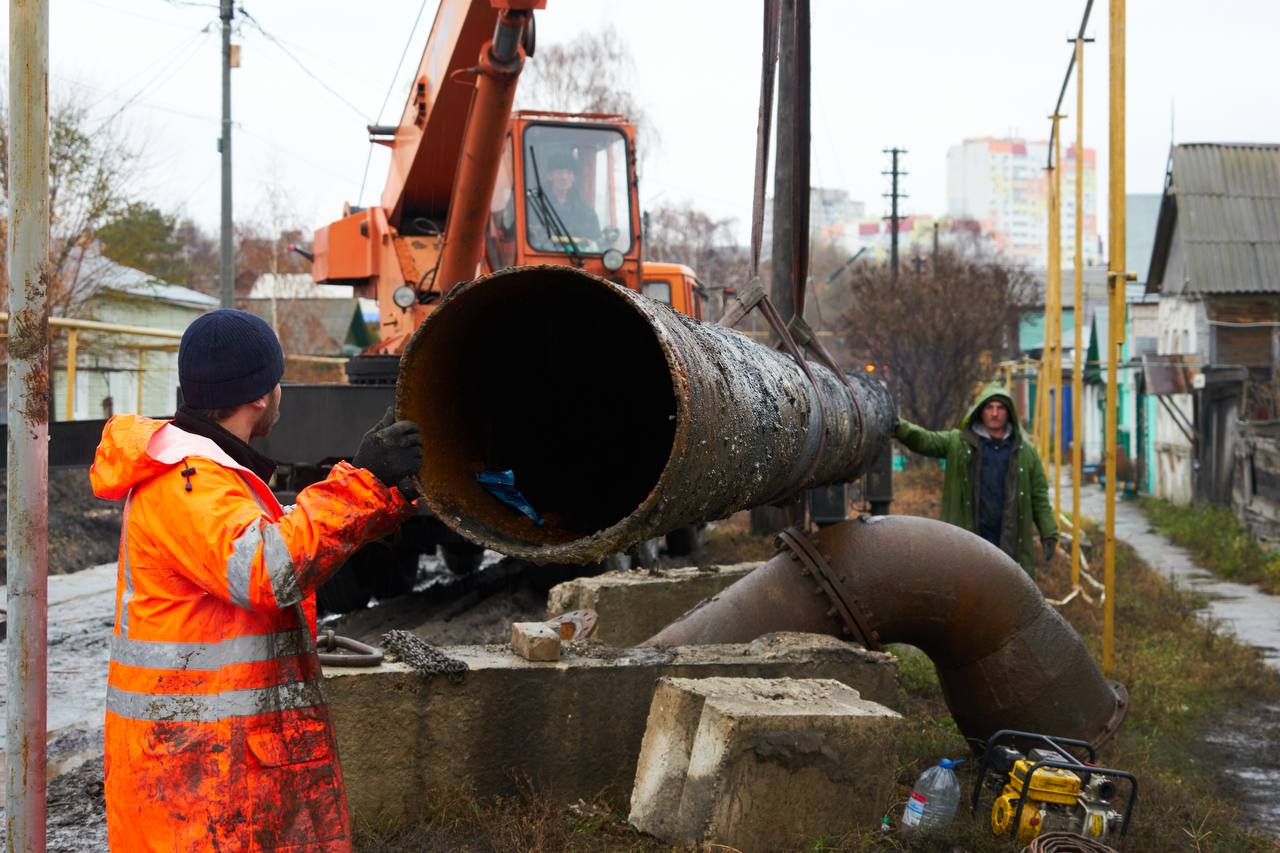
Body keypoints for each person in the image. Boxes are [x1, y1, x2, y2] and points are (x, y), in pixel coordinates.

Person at [90, 308, 424, 852]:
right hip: (195, 785)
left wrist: (380, 495)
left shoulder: (207, 475)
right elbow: (266, 569)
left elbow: (268, 540)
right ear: (260, 397)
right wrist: (361, 483)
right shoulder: (187, 482)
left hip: (212, 766)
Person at [893, 382, 1057, 576]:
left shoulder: (1025, 452)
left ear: (1009, 412)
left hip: (1009, 540)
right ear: (980, 411)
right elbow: (926, 440)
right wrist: (899, 427)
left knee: (1007, 594)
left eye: (1000, 408)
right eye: (989, 407)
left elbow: (1039, 495)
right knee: (969, 592)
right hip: (969, 538)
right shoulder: (959, 443)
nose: (995, 413)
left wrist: (1048, 532)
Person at [529, 150, 601, 247]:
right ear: (549, 176)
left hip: (574, 259)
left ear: (574, 178)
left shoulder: (586, 211)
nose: (564, 177)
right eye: (559, 172)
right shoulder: (534, 204)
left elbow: (595, 240)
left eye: (569, 173)